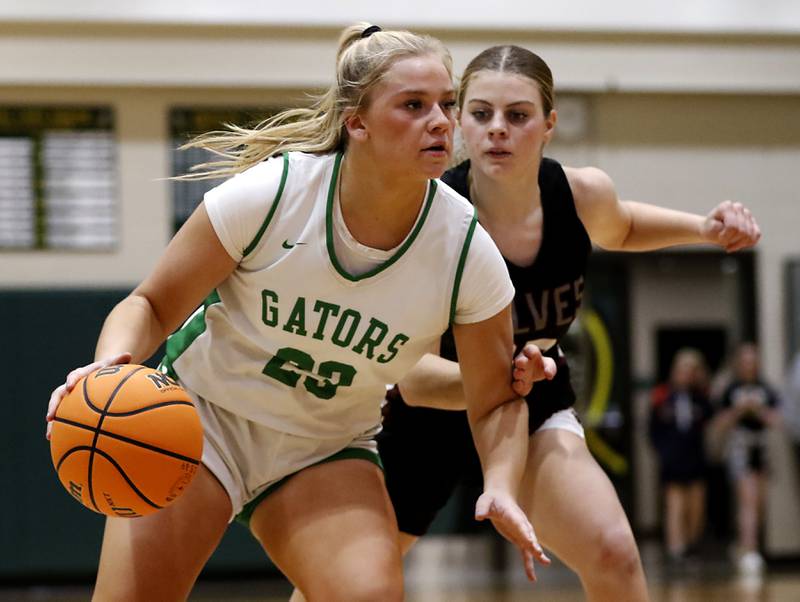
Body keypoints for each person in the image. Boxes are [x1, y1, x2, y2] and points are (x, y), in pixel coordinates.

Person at [44, 25, 554, 602]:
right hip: (202, 422)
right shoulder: (274, 194)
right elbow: (151, 303)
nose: (440, 121)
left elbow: (493, 401)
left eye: (446, 104)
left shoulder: (466, 249)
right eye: (414, 105)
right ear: (356, 122)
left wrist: (504, 485)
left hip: (325, 446)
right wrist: (110, 366)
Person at [343, 44, 762, 602]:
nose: (498, 129)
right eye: (481, 113)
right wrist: (496, 376)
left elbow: (625, 227)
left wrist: (705, 229)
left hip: (532, 403)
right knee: (345, 587)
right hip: (429, 415)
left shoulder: (580, 193)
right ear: (461, 119)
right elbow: (411, 374)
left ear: (548, 125)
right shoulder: (427, 214)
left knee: (613, 551)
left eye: (517, 115)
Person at [714, 342, 781, 575]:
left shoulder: (766, 388)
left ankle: (745, 544)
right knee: (748, 500)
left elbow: (778, 420)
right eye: (744, 362)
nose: (749, 366)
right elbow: (719, 423)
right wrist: (739, 411)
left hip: (761, 447)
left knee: (759, 503)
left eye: (752, 361)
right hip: (739, 447)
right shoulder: (730, 389)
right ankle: (750, 549)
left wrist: (759, 411)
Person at [649, 348, 714, 562]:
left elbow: (711, 421)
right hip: (672, 457)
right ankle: (676, 549)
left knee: (696, 506)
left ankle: (691, 544)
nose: (686, 374)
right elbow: (652, 428)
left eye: (691, 370)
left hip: (695, 457)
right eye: (683, 369)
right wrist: (662, 451)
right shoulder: (662, 395)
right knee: (675, 504)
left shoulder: (701, 396)